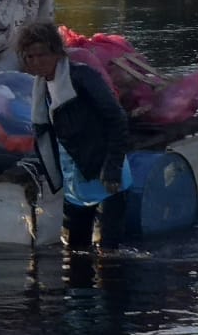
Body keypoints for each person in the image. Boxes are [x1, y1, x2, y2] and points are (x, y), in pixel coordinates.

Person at [18, 19, 132, 251]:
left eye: (42, 55)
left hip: (105, 175)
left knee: (108, 253)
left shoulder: (81, 77)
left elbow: (116, 118)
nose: (36, 62)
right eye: (30, 57)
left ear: (57, 52)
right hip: (75, 178)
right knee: (75, 251)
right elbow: (47, 134)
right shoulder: (41, 87)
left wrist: (113, 168)